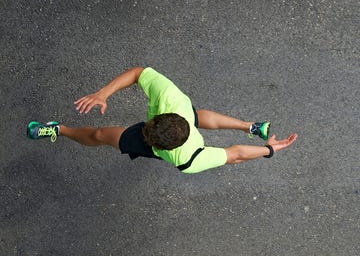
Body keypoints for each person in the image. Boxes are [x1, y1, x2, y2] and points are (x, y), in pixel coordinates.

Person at [27, 67, 297, 174]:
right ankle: (250, 126)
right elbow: (138, 73)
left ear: (163, 148)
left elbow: (235, 154)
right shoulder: (172, 100)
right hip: (182, 118)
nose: (144, 131)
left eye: (148, 135)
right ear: (165, 116)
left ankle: (57, 130)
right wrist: (102, 93)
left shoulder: (189, 160)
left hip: (183, 141)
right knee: (197, 114)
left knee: (100, 136)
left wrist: (271, 150)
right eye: (148, 128)